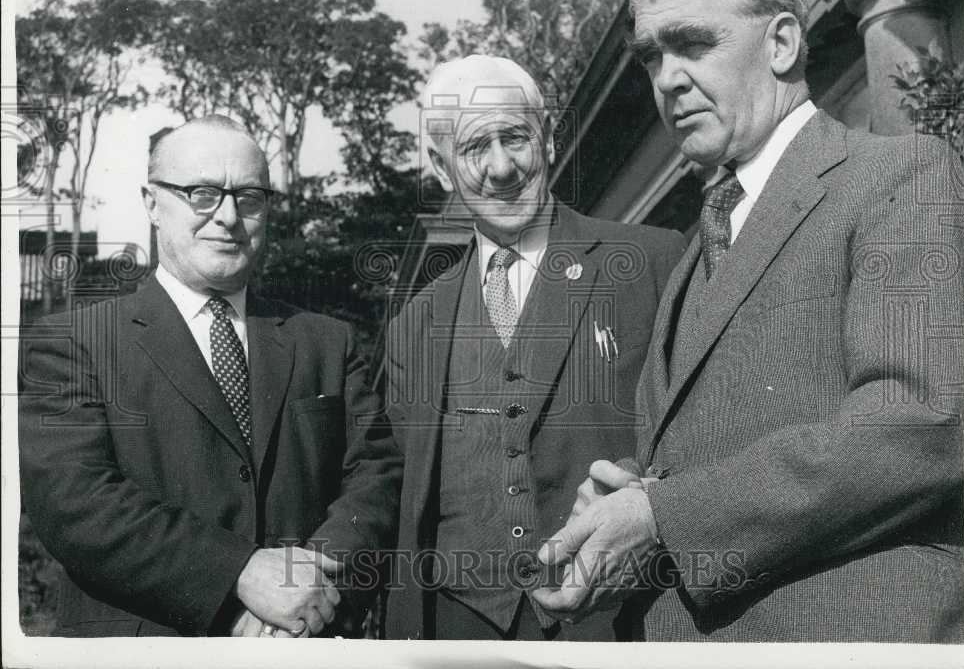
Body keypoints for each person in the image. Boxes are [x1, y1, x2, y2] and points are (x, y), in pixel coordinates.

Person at [532, 0, 964, 642]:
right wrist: (628, 506)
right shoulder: (693, 258)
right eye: (650, 56)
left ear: (784, 42)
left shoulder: (902, 176)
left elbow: (916, 424)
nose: (668, 78)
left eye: (695, 43)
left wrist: (664, 517)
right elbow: (712, 457)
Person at [18, 115, 400, 637]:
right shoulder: (74, 342)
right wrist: (238, 576)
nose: (227, 217)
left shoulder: (326, 341)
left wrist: (301, 586)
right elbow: (75, 502)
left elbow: (377, 478)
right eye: (201, 194)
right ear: (152, 203)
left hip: (303, 644)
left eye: (248, 198)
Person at [381, 55, 686, 640]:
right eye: (475, 148)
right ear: (442, 168)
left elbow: (709, 430)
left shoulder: (652, 262)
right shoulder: (415, 323)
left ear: (547, 138)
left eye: (516, 137)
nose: (501, 167)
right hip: (459, 629)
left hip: (617, 622)